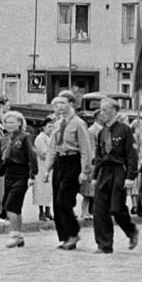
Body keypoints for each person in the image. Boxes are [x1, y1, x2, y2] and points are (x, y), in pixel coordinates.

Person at [90, 98, 139, 254]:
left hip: (119, 170)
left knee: (116, 207)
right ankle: (104, 245)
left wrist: (130, 176)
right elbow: (99, 156)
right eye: (101, 110)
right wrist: (95, 176)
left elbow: (131, 155)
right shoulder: (102, 132)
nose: (101, 113)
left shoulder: (124, 130)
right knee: (99, 209)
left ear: (114, 111)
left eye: (105, 110)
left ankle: (131, 231)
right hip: (104, 171)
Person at [46, 91, 92, 251]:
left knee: (64, 200)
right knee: (56, 202)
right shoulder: (58, 123)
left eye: (63, 103)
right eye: (57, 104)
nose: (59, 106)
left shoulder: (79, 123)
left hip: (73, 161)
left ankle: (73, 233)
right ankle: (64, 237)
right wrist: (47, 169)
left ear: (71, 104)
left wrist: (84, 170)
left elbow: (86, 149)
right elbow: (52, 148)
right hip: (60, 162)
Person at [0, 110, 37, 248]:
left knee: (10, 206)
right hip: (9, 174)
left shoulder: (25, 137)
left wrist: (32, 175)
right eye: (6, 122)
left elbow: (32, 156)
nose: (9, 125)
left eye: (12, 122)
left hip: (21, 173)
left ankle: (14, 235)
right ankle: (19, 236)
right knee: (16, 208)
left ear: (19, 123)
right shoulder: (3, 139)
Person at [33, 117, 55, 221]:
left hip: (51, 167)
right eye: (49, 126)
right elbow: (44, 153)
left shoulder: (52, 138)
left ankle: (48, 211)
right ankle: (41, 212)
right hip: (42, 167)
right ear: (43, 127)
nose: (51, 129)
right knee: (41, 189)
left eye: (52, 127)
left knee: (49, 190)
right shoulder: (40, 138)